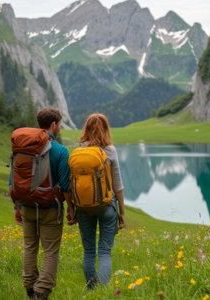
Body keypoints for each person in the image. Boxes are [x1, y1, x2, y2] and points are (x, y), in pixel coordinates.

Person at [13, 108, 70, 300]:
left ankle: (29, 287)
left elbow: (14, 180)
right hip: (50, 208)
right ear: (54, 124)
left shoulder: (23, 147)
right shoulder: (61, 150)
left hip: (26, 205)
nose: (60, 127)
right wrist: (70, 208)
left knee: (30, 246)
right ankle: (41, 292)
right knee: (50, 251)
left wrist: (17, 206)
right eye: (60, 124)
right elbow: (65, 185)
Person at [66, 113, 125, 290]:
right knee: (105, 252)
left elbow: (70, 183)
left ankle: (91, 290)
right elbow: (118, 185)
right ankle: (104, 292)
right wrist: (122, 212)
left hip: (83, 208)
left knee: (89, 252)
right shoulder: (110, 150)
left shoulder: (79, 150)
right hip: (107, 207)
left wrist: (71, 208)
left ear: (86, 129)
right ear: (106, 129)